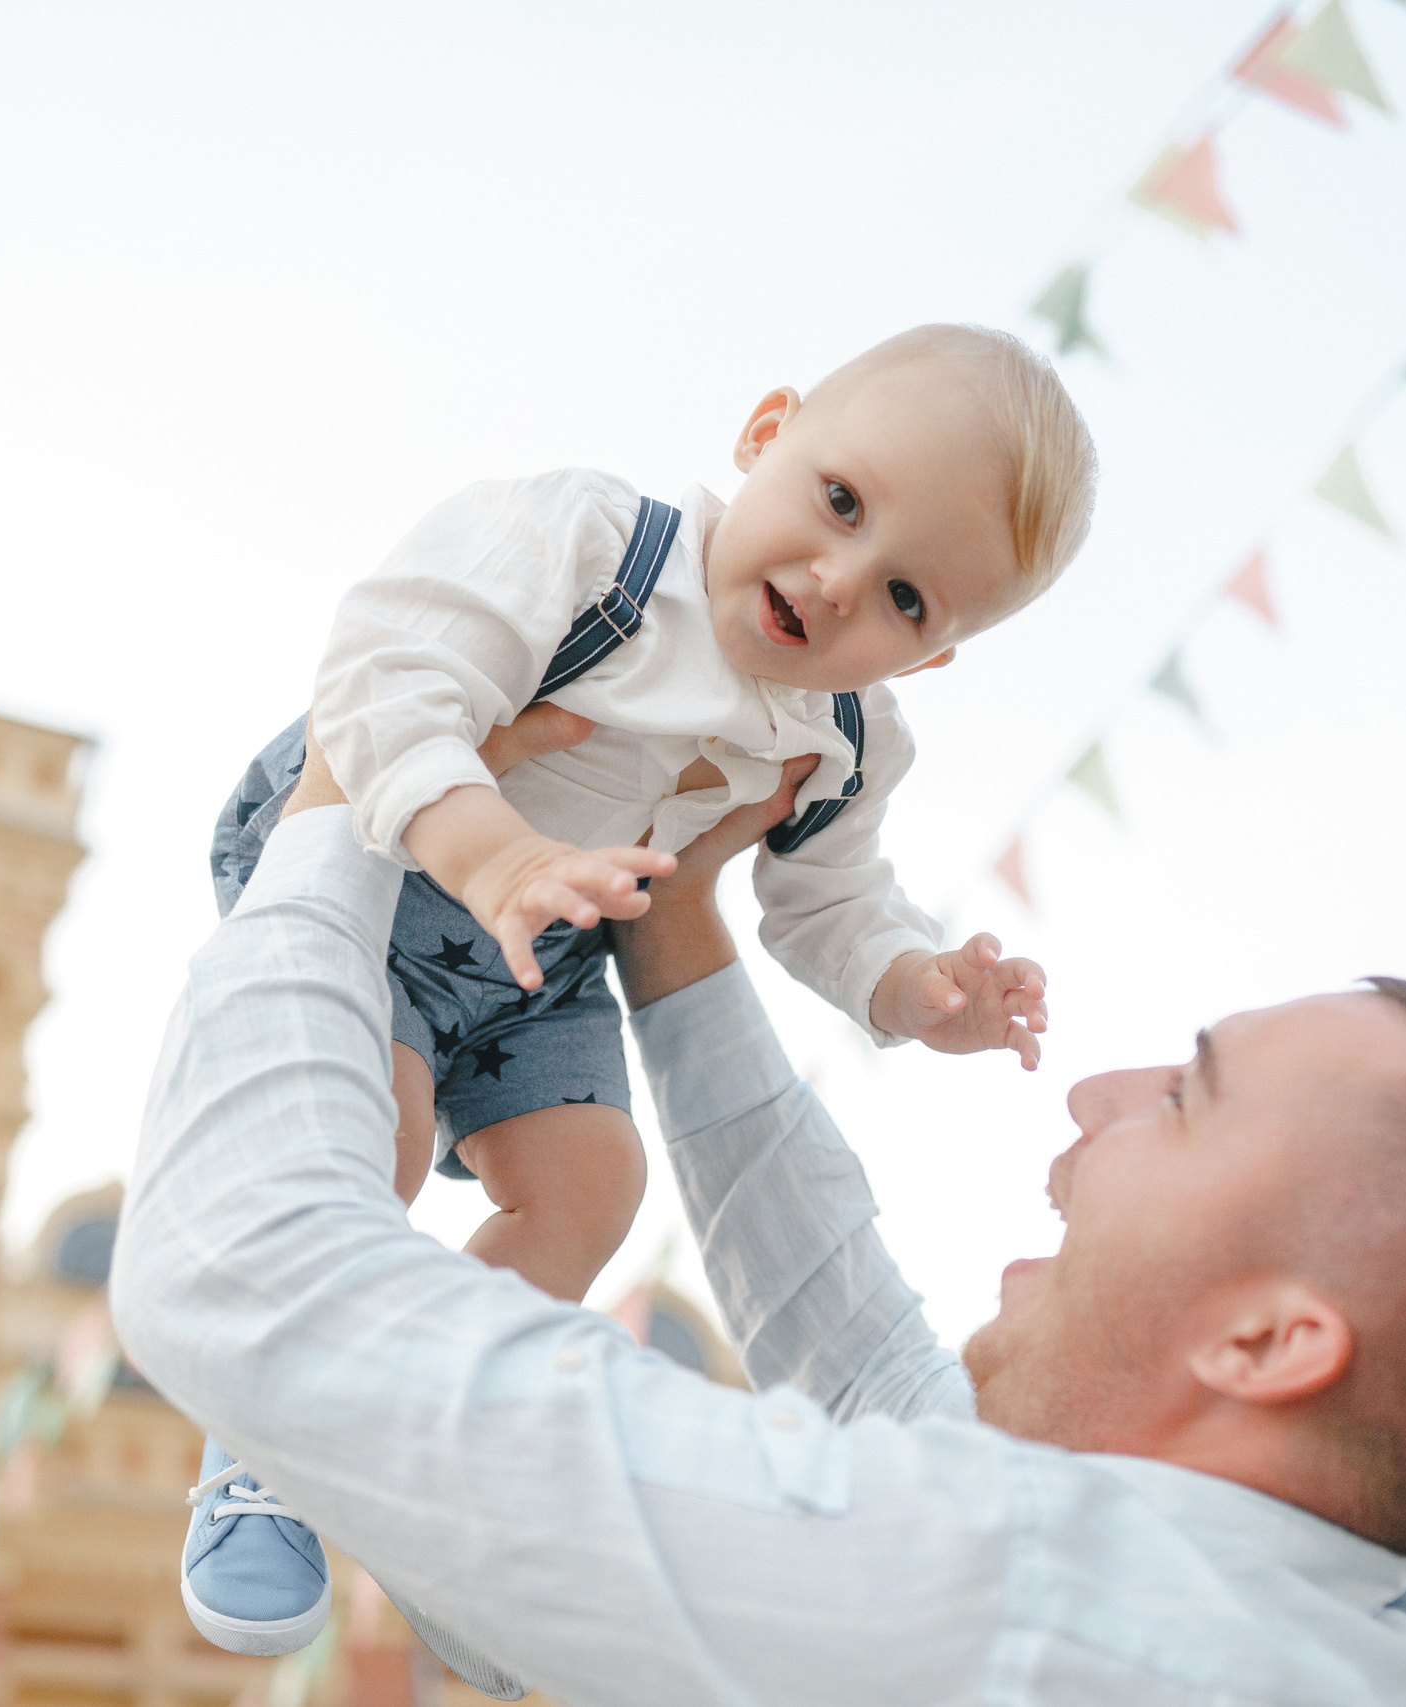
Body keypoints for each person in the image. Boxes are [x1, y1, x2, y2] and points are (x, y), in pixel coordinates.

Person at [113, 713, 1406, 1705]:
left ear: (1273, 1342)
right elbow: (864, 1358)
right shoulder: (1398, 1649)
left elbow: (249, 1273)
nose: (1094, 1092)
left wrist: (349, 788)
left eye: (1187, 1098)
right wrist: (681, 916)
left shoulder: (1057, 1630)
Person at [176, 323, 1090, 1654]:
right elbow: (384, 673)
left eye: (906, 598)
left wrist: (916, 988)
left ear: (928, 657)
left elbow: (829, 903)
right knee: (382, 1132)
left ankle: (428, 1461)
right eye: (841, 501)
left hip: (551, 956)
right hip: (388, 863)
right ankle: (266, 1438)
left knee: (595, 1184)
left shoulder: (848, 740)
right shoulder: (596, 548)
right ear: (767, 433)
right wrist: (491, 850)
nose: (838, 580)